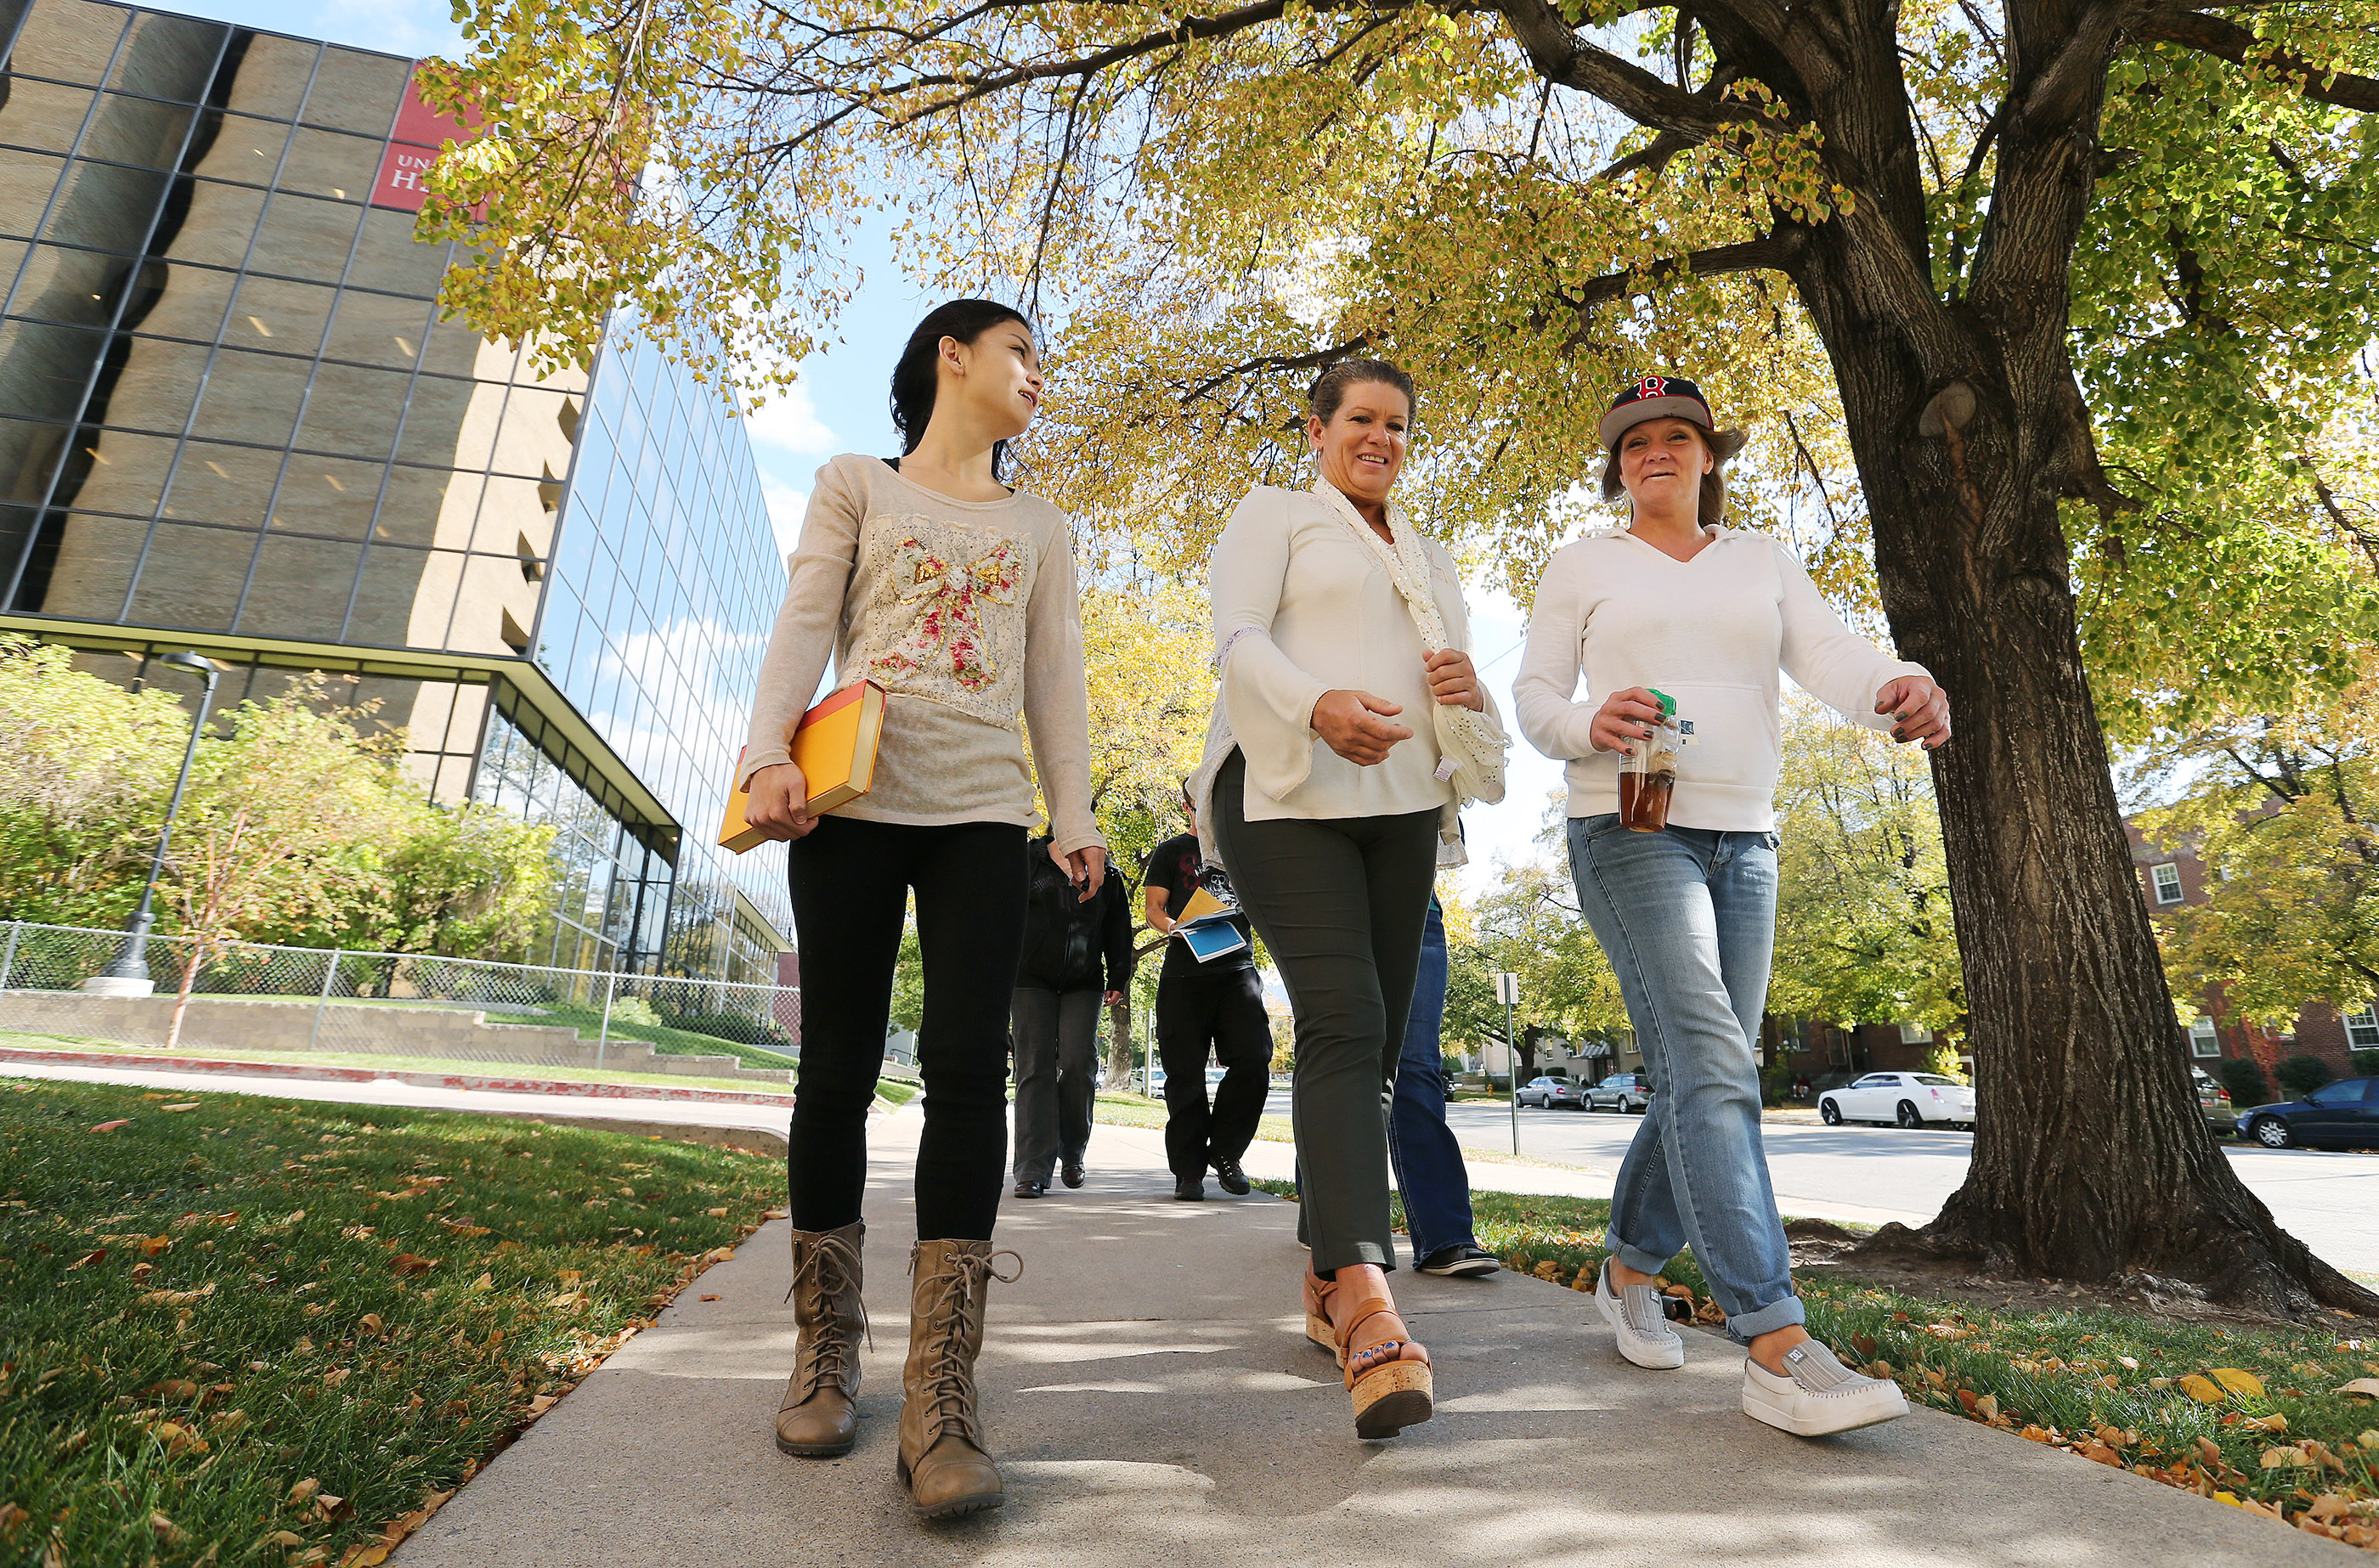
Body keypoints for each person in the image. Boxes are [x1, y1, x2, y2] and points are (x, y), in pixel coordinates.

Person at [1512, 373, 1951, 1438]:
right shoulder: (1582, 566)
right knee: (1709, 1057)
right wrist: (1586, 721)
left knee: (1701, 1071)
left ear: (1709, 456)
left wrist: (1896, 682)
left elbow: (1831, 656)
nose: (1653, 453)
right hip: (1628, 829)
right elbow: (1531, 700)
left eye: (1674, 437)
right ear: (1616, 467)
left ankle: (1625, 1271)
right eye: (1632, 443)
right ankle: (1774, 1340)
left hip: (1745, 833)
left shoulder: (1760, 558)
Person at [738, 299, 1106, 1517]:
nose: (1036, 375)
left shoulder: (1045, 525)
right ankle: (826, 1351)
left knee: (966, 1069)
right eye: (1022, 353)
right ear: (954, 355)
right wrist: (761, 754)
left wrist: (1076, 812)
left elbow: (1055, 671)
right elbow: (805, 622)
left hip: (981, 816)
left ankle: (944, 1390)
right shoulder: (855, 482)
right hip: (848, 802)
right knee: (835, 1067)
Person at [1188, 357, 1505, 1441]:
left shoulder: (1429, 555)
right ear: (1318, 430)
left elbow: (1451, 681)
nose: (1381, 438)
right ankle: (1368, 1297)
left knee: (1370, 1051)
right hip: (1283, 791)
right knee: (1345, 1017)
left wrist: (1464, 685)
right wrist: (1316, 702)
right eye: (1361, 419)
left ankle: (1325, 1282)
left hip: (1403, 803)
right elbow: (1237, 638)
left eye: (1399, 425)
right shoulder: (1276, 514)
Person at [1141, 787, 1270, 1201]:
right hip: (1184, 977)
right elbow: (1154, 909)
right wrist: (1174, 927)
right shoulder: (1171, 851)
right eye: (1200, 802)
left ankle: (1226, 1152)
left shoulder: (1244, 845)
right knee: (1186, 1078)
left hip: (1238, 974)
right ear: (1187, 805)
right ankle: (1189, 1172)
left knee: (1254, 1059)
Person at [1012, 831, 1133, 1199]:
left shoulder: (1106, 873)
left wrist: (1119, 975)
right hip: (1030, 979)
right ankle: (1032, 1167)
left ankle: (1073, 1151)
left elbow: (1118, 927)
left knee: (1080, 1062)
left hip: (1084, 981)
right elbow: (1005, 914)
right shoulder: (1028, 863)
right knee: (1035, 1067)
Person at [1390, 893, 1498, 1276]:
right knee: (1338, 1061)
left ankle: (1444, 1236)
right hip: (1327, 905)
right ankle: (1328, 1223)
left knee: (1417, 1067)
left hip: (1417, 913)